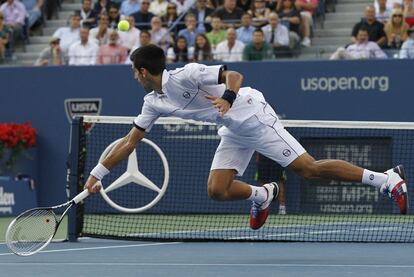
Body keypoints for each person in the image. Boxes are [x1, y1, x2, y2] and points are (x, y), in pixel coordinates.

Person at [84, 44, 408, 231]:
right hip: (232, 129)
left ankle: (385, 179)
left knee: (309, 169)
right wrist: (96, 175)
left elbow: (236, 75)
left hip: (252, 115)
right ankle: (263, 195)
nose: (132, 76)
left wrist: (226, 96)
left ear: (143, 71)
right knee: (217, 190)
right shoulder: (151, 103)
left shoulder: (188, 74)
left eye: (133, 71)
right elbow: (129, 142)